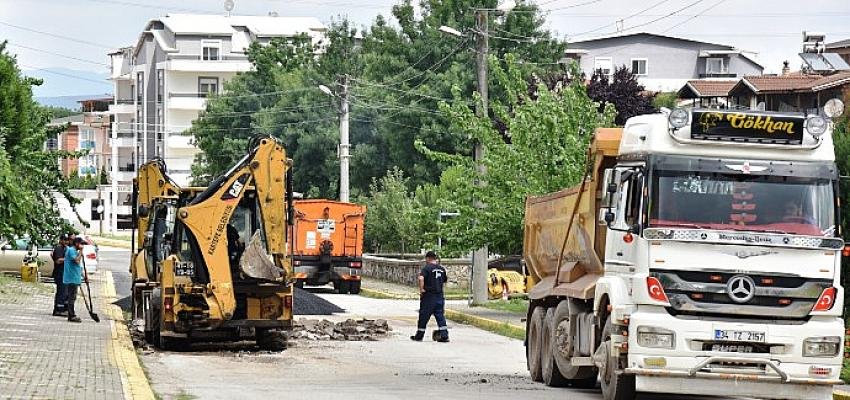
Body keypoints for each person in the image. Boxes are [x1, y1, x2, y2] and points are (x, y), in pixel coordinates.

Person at [411, 251, 449, 343]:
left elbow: (421, 278)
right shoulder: (442, 269)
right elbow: (444, 281)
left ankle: (419, 336)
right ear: (435, 258)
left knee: (424, 316)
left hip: (429, 296)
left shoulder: (426, 268)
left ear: (428, 258)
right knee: (440, 316)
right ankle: (444, 335)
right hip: (439, 296)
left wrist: (421, 290)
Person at [63, 237, 84, 323]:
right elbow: (77, 261)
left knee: (73, 297)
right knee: (72, 297)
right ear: (76, 244)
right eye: (80, 244)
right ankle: (71, 315)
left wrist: (83, 275)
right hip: (71, 278)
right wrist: (81, 252)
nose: (81, 246)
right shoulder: (71, 250)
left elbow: (78, 266)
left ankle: (71, 314)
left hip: (75, 277)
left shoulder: (75, 251)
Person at [50, 234, 69, 316]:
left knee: (65, 292)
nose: (66, 242)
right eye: (64, 240)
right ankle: (58, 310)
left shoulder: (65, 248)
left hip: (64, 273)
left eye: (67, 240)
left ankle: (62, 308)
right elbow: (57, 261)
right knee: (61, 292)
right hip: (59, 273)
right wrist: (68, 258)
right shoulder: (58, 248)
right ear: (60, 240)